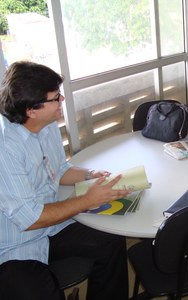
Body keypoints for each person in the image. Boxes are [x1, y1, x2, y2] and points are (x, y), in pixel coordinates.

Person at [0, 61, 131, 300]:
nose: (61, 101)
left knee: (110, 243)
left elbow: (59, 170)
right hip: (14, 249)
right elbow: (30, 218)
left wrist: (91, 175)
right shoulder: (5, 148)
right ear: (32, 109)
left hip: (52, 227)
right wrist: (87, 200)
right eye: (55, 97)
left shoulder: (46, 125)